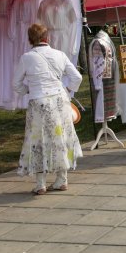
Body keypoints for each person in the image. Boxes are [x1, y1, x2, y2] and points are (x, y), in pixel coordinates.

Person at [13, 23, 83, 195]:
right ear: (47, 37)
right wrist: (68, 91)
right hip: (59, 100)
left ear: (30, 39)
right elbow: (77, 77)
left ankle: (41, 183)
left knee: (38, 140)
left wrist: (28, 90)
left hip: (38, 102)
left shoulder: (26, 58)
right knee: (60, 138)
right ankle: (62, 179)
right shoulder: (59, 55)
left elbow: (16, 84)